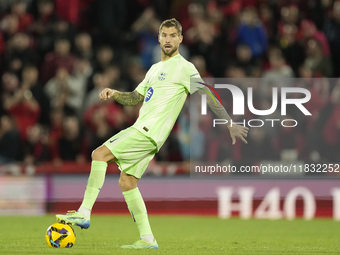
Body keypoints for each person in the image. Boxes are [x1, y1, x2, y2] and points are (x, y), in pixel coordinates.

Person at [56, 18, 248, 249]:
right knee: (127, 182)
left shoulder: (184, 67)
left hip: (147, 131)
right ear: (158, 38)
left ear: (180, 39)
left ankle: (84, 212)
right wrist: (115, 93)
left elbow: (208, 93)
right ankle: (147, 239)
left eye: (172, 35)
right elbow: (135, 98)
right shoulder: (154, 69)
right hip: (149, 135)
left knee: (99, 154)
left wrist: (228, 122)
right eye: (164, 35)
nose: (168, 39)